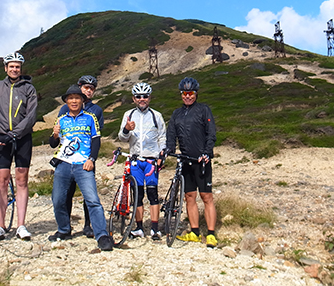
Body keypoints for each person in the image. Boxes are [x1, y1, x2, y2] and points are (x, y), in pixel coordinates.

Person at [49, 84, 113, 251]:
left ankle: (102, 235)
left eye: (77, 98)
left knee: (92, 200)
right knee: (58, 200)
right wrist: (55, 134)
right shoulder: (61, 119)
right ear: (66, 101)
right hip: (63, 164)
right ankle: (64, 230)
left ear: (82, 101)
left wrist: (92, 159)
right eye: (71, 98)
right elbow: (53, 144)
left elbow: (96, 140)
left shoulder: (90, 118)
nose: (74, 101)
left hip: (83, 165)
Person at [0, 52, 37, 241]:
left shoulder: (29, 88)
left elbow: (31, 116)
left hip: (22, 138)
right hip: (2, 138)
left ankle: (21, 225)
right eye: (11, 66)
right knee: (2, 180)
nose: (14, 69)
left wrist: (17, 133)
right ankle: (0, 226)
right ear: (5, 68)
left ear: (21, 69)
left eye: (17, 66)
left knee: (21, 180)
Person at [165, 77, 218, 248]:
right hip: (185, 160)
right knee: (189, 197)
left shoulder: (204, 110)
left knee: (206, 196)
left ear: (196, 94)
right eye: (184, 93)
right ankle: (194, 232)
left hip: (202, 160)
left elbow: (211, 133)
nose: (188, 96)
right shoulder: (176, 114)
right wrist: (169, 148)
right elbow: (171, 133)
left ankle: (211, 234)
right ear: (181, 94)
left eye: (191, 93)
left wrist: (207, 152)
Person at [118, 82, 166, 240]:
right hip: (135, 161)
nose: (142, 99)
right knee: (137, 195)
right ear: (133, 99)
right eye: (138, 96)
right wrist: (126, 129)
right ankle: (139, 227)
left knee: (153, 193)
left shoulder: (156, 116)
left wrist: (162, 156)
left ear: (150, 98)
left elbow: (162, 137)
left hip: (151, 161)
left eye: (145, 96)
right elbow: (121, 138)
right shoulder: (128, 115)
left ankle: (154, 228)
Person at [57, 75, 103, 238]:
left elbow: (96, 135)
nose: (88, 91)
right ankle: (66, 226)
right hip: (68, 157)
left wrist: (92, 158)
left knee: (89, 193)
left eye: (91, 88)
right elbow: (60, 133)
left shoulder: (96, 110)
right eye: (86, 87)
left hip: (87, 157)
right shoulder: (65, 109)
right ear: (79, 87)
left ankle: (88, 225)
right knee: (66, 193)